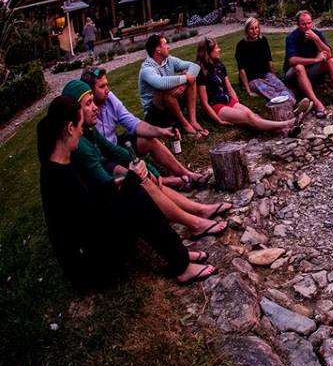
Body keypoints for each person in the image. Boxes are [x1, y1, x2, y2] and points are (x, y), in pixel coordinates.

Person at [38, 95, 217, 289]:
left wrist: (121, 183)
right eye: (80, 126)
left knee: (135, 193)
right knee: (137, 199)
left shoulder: (60, 163)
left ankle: (179, 254)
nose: (82, 132)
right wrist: (130, 182)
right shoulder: (58, 177)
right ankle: (182, 264)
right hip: (90, 269)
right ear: (69, 128)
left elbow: (88, 201)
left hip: (92, 245)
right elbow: (94, 220)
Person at [63, 80, 230, 240]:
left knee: (145, 175)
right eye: (88, 103)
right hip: (98, 203)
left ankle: (199, 209)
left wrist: (150, 168)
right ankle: (194, 222)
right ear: (75, 111)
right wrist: (136, 176)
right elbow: (105, 185)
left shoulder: (87, 130)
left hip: (105, 170)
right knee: (143, 181)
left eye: (93, 101)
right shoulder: (81, 145)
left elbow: (116, 150)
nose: (94, 108)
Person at [81, 67, 210, 190]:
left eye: (107, 85)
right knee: (131, 172)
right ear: (90, 92)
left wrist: (162, 131)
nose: (107, 90)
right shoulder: (85, 113)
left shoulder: (109, 98)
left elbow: (132, 123)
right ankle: (171, 181)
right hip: (101, 158)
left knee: (149, 140)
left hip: (114, 145)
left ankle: (187, 174)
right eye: (102, 86)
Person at [196, 37, 304, 135]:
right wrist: (217, 120)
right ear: (208, 52)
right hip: (216, 106)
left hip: (228, 101)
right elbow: (205, 103)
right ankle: (287, 124)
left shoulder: (219, 65)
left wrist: (237, 104)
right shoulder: (202, 72)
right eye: (216, 48)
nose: (219, 50)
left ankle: (286, 131)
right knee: (249, 117)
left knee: (253, 115)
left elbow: (229, 88)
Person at [283, 10, 333, 117]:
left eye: (309, 23)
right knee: (299, 67)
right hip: (293, 73)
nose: (307, 26)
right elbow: (292, 60)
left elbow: (328, 53)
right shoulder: (291, 37)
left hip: (311, 70)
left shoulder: (316, 34)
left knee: (331, 61)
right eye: (303, 24)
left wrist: (317, 39)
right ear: (298, 25)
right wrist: (315, 60)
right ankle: (316, 103)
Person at [138, 34, 207, 137]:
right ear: (158, 49)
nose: (168, 47)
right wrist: (185, 78)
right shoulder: (147, 69)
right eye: (165, 44)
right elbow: (160, 83)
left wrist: (186, 81)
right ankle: (185, 124)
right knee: (165, 89)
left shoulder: (169, 60)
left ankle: (192, 120)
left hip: (170, 105)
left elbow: (194, 66)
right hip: (155, 114)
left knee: (191, 80)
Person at [235, 17, 290, 101]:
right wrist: (248, 90)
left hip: (265, 74)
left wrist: (274, 77)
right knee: (269, 91)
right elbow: (241, 70)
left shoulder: (263, 41)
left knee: (280, 86)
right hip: (252, 79)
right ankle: (284, 103)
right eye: (251, 29)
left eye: (256, 28)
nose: (254, 31)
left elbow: (269, 61)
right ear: (247, 30)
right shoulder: (241, 45)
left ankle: (293, 103)